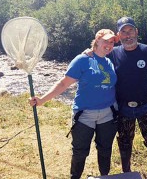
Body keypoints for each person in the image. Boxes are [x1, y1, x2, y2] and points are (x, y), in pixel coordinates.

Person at [84, 17, 147, 179]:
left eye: (130, 30)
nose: (128, 35)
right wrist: (87, 53)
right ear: (119, 36)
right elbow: (96, 58)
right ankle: (127, 174)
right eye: (124, 32)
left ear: (136, 31)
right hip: (123, 109)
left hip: (146, 107)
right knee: (125, 144)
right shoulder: (113, 53)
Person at [29, 29, 119, 179]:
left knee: (105, 149)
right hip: (84, 115)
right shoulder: (82, 60)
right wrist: (42, 100)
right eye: (106, 41)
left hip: (108, 114)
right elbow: (63, 84)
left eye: (112, 42)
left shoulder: (109, 61)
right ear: (97, 41)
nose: (109, 45)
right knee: (80, 151)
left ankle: (105, 176)